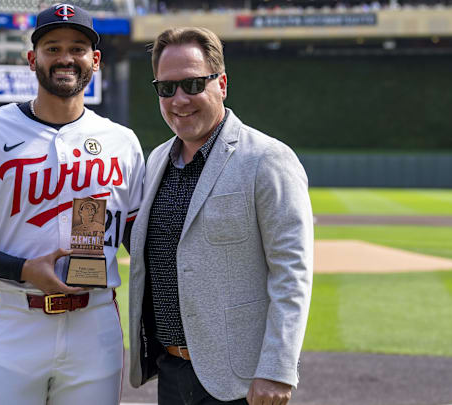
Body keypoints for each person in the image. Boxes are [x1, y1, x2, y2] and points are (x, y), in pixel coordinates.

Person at [0, 4, 144, 405]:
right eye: (52, 47)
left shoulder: (122, 141)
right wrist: (21, 270)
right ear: (32, 59)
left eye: (77, 48)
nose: (65, 58)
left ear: (94, 60)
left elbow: (137, 237)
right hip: (12, 322)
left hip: (95, 326)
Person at [128, 27, 314, 405]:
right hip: (171, 370)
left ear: (222, 83)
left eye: (193, 84)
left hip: (239, 382)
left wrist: (277, 369)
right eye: (167, 88)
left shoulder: (267, 158)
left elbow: (291, 271)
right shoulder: (157, 159)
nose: (179, 99)